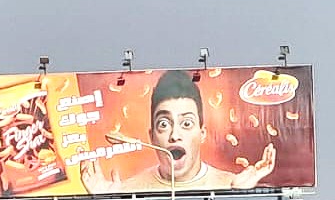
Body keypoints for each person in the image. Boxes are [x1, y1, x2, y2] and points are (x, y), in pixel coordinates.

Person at [81, 69, 276, 193]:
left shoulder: (230, 184)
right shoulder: (128, 190)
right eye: (164, 124)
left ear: (202, 134)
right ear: (152, 137)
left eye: (186, 124)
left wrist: (239, 193)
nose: (174, 135)